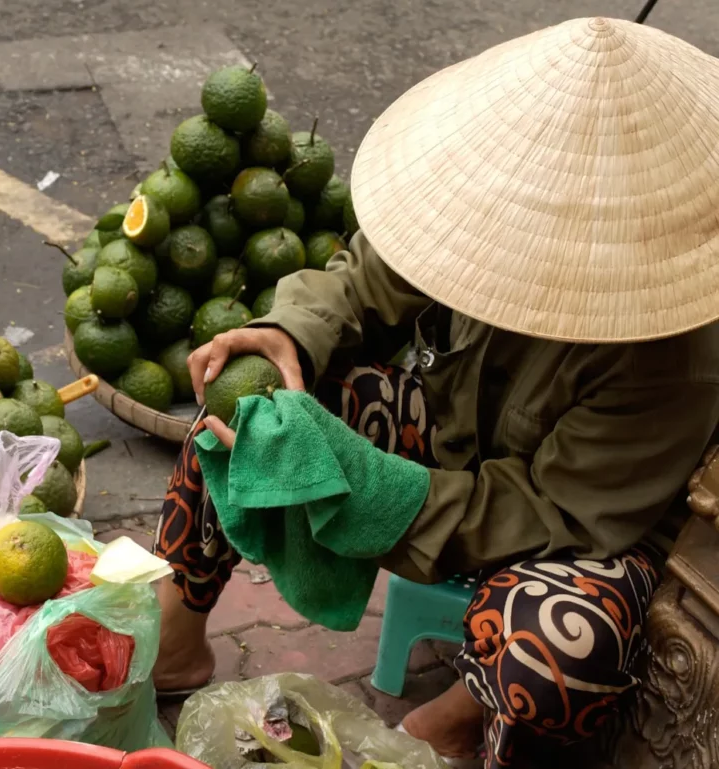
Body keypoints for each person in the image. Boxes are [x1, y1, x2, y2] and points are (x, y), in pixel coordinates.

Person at [150, 17, 719, 768]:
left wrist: (370, 487)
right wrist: (290, 331)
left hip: (591, 528)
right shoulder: (489, 208)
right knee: (246, 410)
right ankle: (177, 642)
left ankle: (452, 722)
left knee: (555, 647)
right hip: (461, 430)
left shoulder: (674, 355)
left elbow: (548, 507)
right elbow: (363, 281)